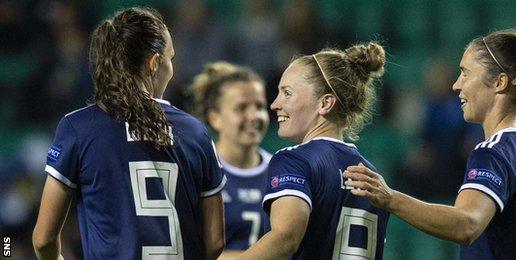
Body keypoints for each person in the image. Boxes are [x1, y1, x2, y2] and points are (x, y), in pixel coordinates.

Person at [344, 28, 516, 259]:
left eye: (465, 73)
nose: (456, 85)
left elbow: (467, 225)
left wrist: (391, 198)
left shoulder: (495, 152)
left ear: (499, 82)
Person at [32, 7, 225, 260]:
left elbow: (43, 240)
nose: (172, 67)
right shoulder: (195, 132)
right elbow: (215, 242)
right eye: (171, 59)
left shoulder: (78, 128)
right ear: (155, 64)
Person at [238, 43, 390, 259]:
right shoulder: (373, 177)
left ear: (325, 103)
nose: (274, 104)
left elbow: (286, 238)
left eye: (287, 93)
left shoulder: (294, 161)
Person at [191, 61, 271, 258]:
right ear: (215, 118)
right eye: (241, 108)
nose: (254, 116)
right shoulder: (198, 171)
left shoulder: (281, 171)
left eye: (260, 106)